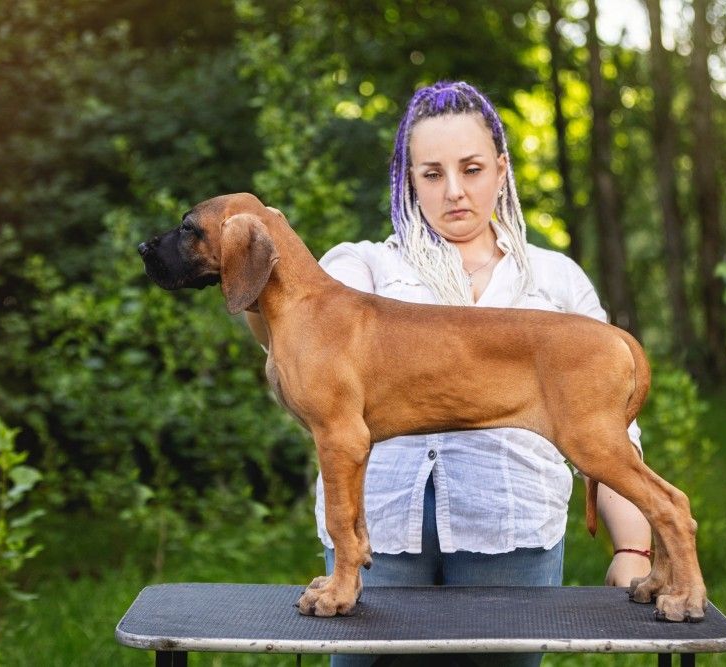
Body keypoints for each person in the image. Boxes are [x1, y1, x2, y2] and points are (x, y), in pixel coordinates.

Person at [247, 81, 651, 667]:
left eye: (472, 168)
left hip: (512, 530)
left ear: (502, 169)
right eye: (432, 174)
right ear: (408, 179)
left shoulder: (555, 280)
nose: (454, 191)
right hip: (385, 538)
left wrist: (634, 547)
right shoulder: (364, 265)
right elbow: (292, 334)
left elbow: (612, 430)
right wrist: (252, 260)